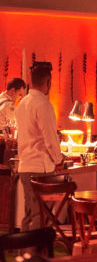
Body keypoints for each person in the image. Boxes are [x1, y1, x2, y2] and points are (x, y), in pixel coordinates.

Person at [15, 61, 65, 231]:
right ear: (49, 82)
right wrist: (59, 160)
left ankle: (25, 254)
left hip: (25, 165)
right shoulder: (43, 105)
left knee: (31, 213)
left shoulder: (22, 103)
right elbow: (50, 140)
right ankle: (35, 254)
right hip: (40, 168)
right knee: (40, 215)